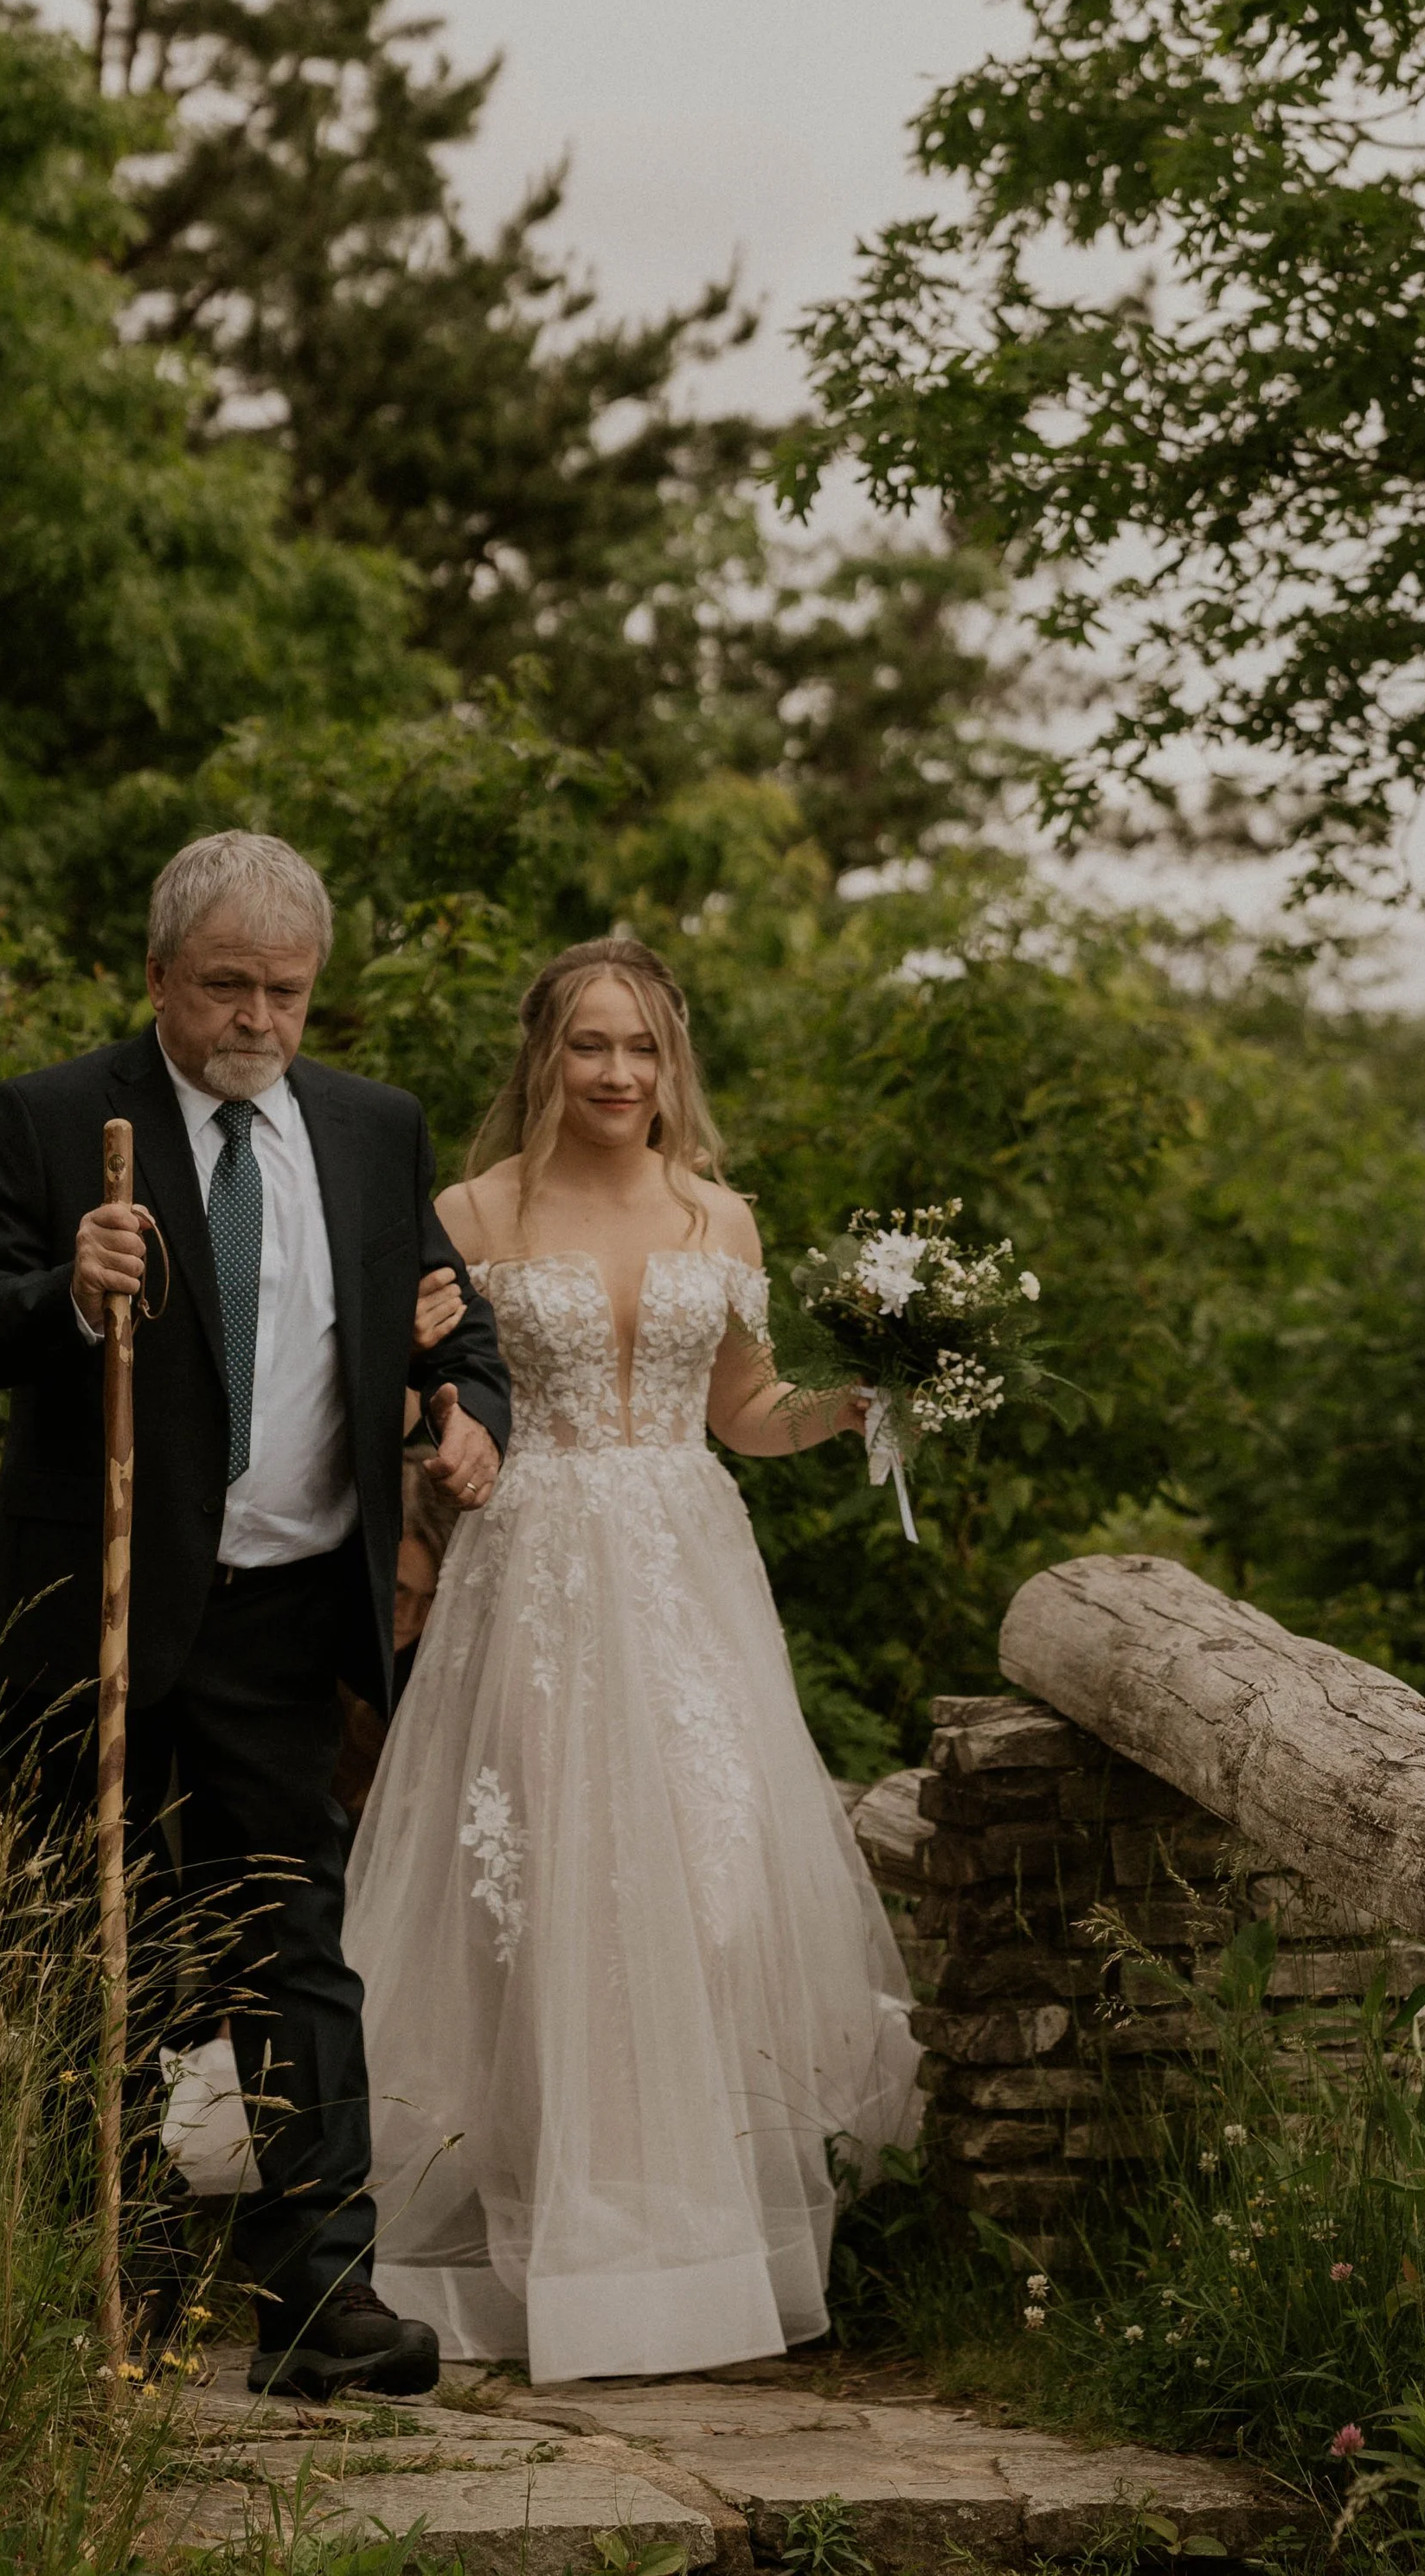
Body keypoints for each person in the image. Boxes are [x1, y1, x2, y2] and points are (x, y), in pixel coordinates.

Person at [0, 829, 511, 2398]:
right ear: (163, 974)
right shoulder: (58, 1120)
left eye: (289, 992)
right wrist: (66, 1286)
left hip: (288, 1603)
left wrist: (465, 1406)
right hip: (96, 1603)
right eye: (230, 986)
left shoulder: (372, 1129)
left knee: (292, 1950)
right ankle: (77, 2272)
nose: (259, 1019)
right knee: (79, 1939)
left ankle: (322, 2302)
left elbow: (456, 1316)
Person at [343, 937, 920, 2384]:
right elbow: (427, 1407)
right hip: (527, 1572)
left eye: (643, 1047)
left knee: (714, 1890)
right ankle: (556, 2237)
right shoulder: (466, 1213)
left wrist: (850, 1406)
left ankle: (686, 2230)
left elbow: (745, 1410)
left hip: (681, 1572)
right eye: (592, 1045)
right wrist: (426, 1463)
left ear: (673, 1064)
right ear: (545, 1055)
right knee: (543, 1895)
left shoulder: (720, 1220)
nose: (618, 1074)